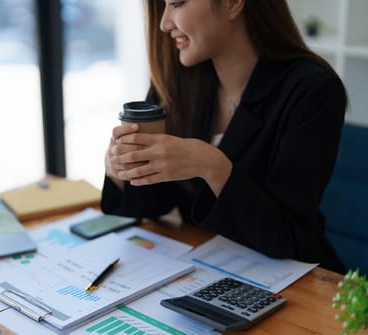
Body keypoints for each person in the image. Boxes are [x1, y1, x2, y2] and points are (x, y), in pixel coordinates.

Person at [101, 0, 347, 273]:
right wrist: (120, 170)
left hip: (299, 281)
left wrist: (211, 166)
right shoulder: (180, 80)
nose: (164, 24)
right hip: (205, 270)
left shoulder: (312, 90)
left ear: (232, 4)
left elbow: (287, 236)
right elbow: (156, 204)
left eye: (177, 4)